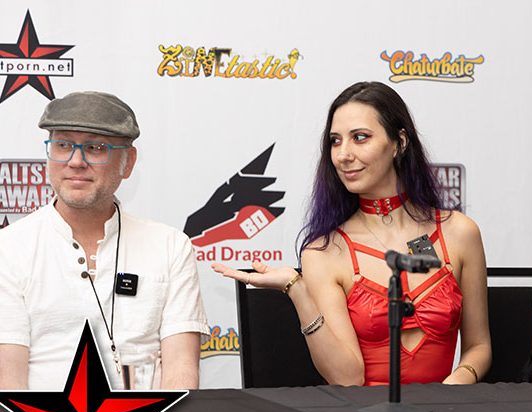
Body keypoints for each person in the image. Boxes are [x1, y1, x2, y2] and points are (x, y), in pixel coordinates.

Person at [214, 81, 491, 386]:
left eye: (360, 137)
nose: (343, 154)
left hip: (449, 410)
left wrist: (455, 385)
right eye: (335, 141)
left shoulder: (460, 232)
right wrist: (297, 289)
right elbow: (348, 377)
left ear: (399, 142)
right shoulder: (323, 252)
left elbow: (479, 346)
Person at [0, 91, 209, 390]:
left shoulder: (170, 246)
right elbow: (8, 383)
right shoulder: (9, 248)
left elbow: (182, 372)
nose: (75, 161)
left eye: (95, 148)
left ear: (128, 162)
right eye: (63, 145)